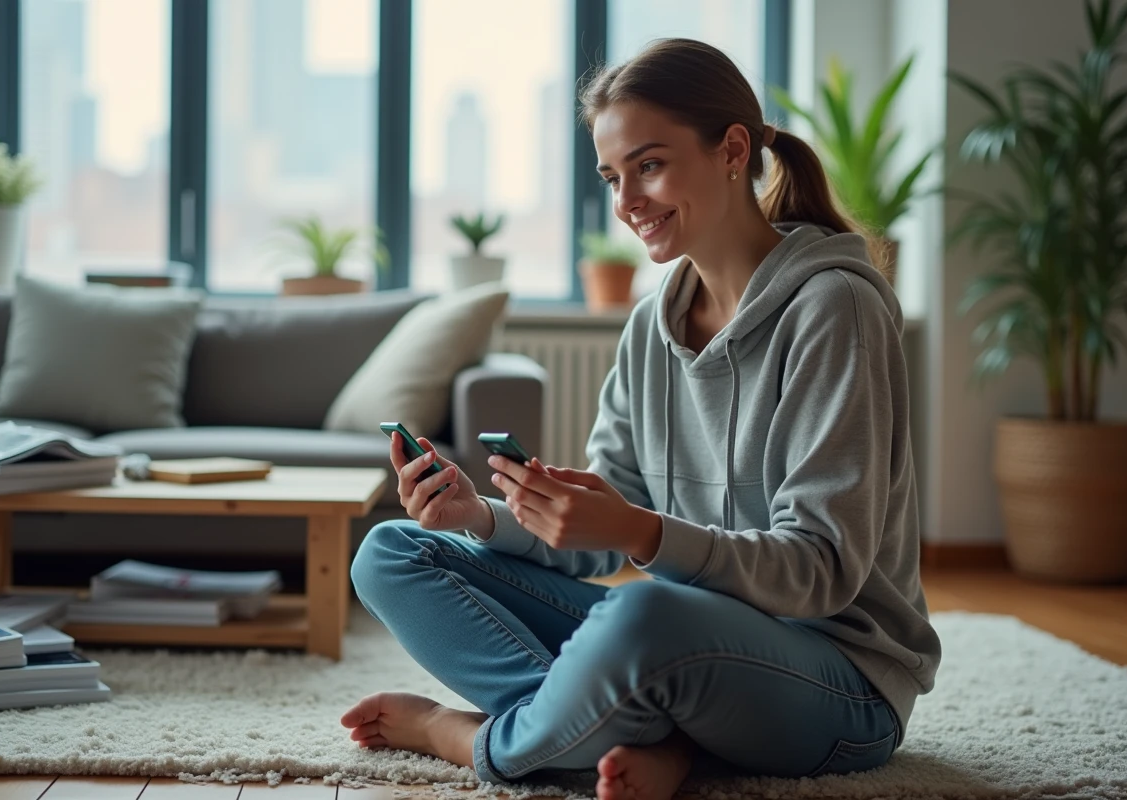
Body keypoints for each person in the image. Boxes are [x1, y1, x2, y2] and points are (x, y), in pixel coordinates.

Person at [342, 37, 941, 800]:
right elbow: (597, 538)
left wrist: (640, 532)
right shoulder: (650, 325)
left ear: (731, 150)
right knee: (391, 554)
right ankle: (643, 738)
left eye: (649, 166)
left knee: (643, 615)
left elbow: (821, 571)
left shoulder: (836, 308)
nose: (625, 203)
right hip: (686, 645)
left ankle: (469, 739)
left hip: (839, 680)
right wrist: (483, 516)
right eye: (612, 177)